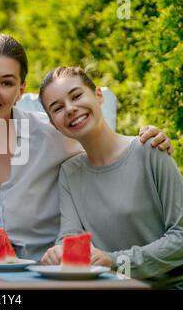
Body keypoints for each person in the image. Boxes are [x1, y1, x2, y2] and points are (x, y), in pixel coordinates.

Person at [0, 34, 174, 262]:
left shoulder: (53, 133)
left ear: (20, 90)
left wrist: (149, 136)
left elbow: (106, 145)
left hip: (46, 272)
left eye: (6, 82)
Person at [39, 67, 183, 285]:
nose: (70, 109)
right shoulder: (69, 172)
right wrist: (59, 252)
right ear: (54, 124)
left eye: (76, 96)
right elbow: (71, 236)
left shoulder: (150, 149)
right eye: (57, 108)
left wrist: (117, 261)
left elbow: (180, 238)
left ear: (98, 96)